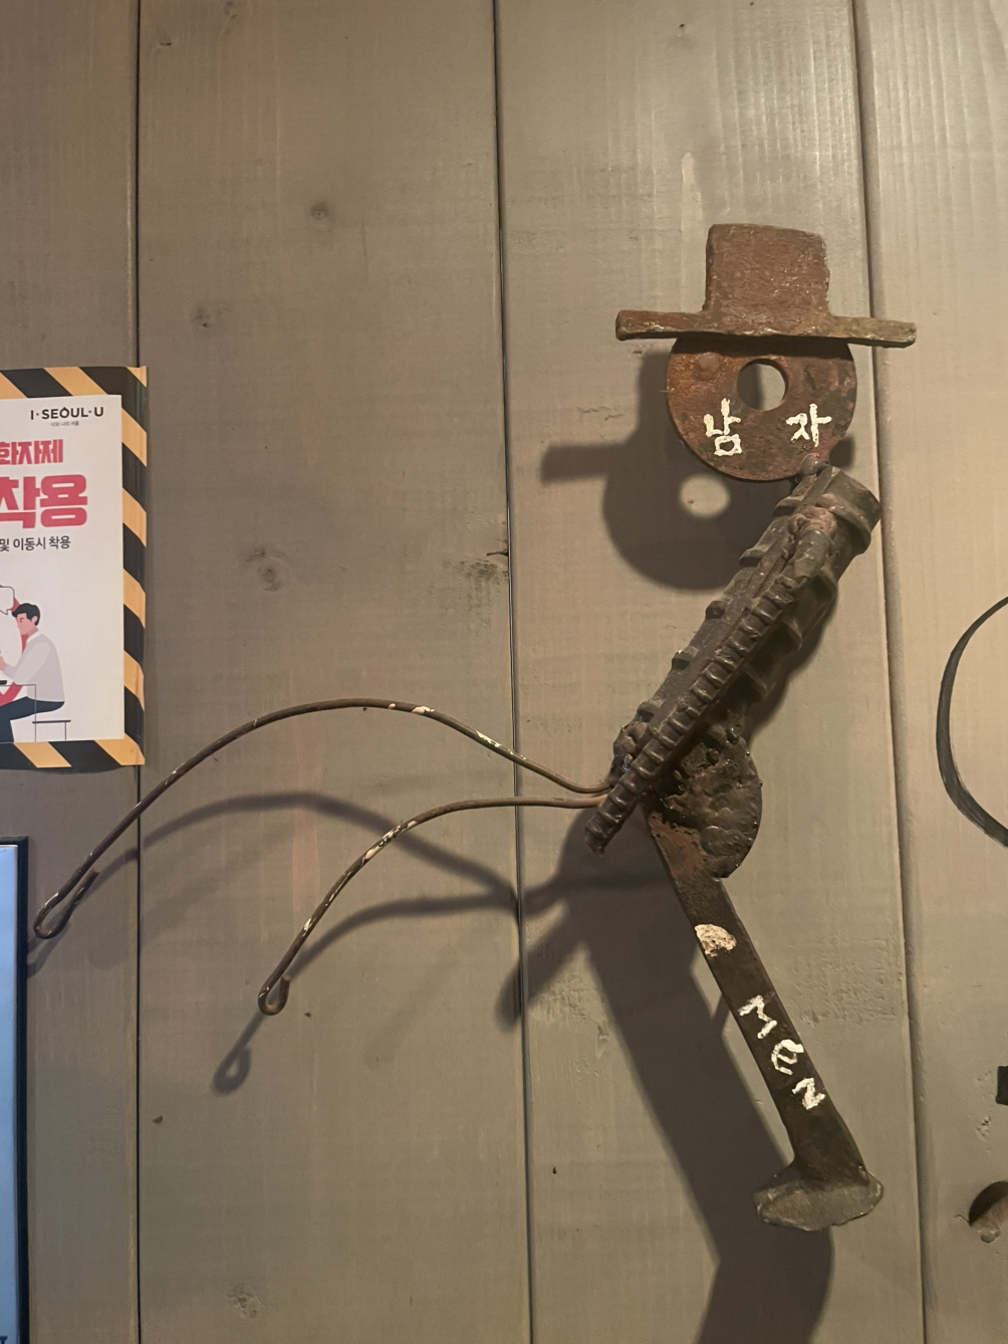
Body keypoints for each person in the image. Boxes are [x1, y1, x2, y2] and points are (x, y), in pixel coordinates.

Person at [0, 603, 64, 743]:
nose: (18, 625)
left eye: (21, 620)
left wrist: (3, 666)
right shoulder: (34, 643)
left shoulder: (40, 645)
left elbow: (20, 678)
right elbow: (20, 672)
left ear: (33, 619)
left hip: (47, 699)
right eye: (17, 621)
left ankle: (8, 751)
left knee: (1, 714)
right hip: (39, 697)